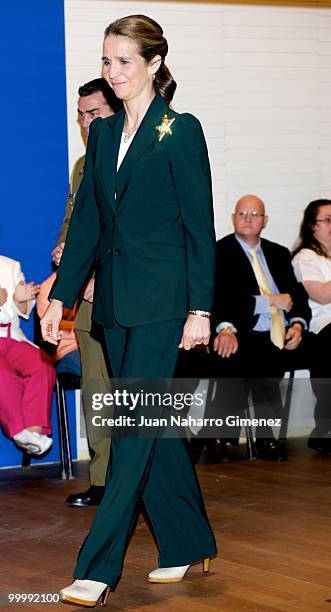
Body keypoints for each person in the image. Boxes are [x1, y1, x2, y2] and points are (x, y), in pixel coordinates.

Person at [41, 14, 217, 607]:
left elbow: (199, 226)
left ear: (153, 64)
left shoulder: (181, 130)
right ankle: (188, 541)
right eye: (106, 61)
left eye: (123, 61)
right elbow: (89, 224)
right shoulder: (107, 135)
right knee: (153, 425)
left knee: (136, 426)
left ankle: (97, 566)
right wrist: (62, 297)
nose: (112, 72)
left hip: (165, 303)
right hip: (114, 304)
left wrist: (201, 308)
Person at [52, 78, 122, 507]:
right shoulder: (83, 165)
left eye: (94, 112)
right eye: (81, 114)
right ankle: (102, 480)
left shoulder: (133, 159)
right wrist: (66, 252)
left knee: (135, 387)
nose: (85, 121)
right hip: (88, 300)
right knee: (97, 391)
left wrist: (104, 272)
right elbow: (75, 223)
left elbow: (136, 234)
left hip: (125, 295)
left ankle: (159, 474)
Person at [213, 195, 311, 461]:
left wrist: (299, 326)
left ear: (265, 221)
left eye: (254, 214)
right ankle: (260, 437)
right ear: (233, 218)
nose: (248, 219)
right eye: (242, 213)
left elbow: (298, 298)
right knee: (253, 357)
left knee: (321, 349)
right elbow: (223, 300)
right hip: (246, 331)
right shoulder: (220, 253)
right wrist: (269, 302)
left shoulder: (278, 253)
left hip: (285, 332)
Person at [0, 255, 55, 455]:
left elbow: (23, 311)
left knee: (43, 366)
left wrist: (20, 299)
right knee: (3, 375)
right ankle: (19, 431)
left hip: (12, 335)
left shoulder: (10, 265)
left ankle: (33, 432)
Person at [292, 199, 331, 454]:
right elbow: (321, 295)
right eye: (327, 220)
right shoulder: (306, 258)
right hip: (322, 327)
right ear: (311, 226)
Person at [36, 272, 81, 376]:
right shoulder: (47, 289)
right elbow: (49, 329)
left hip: (89, 346)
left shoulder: (87, 281)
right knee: (94, 371)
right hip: (64, 351)